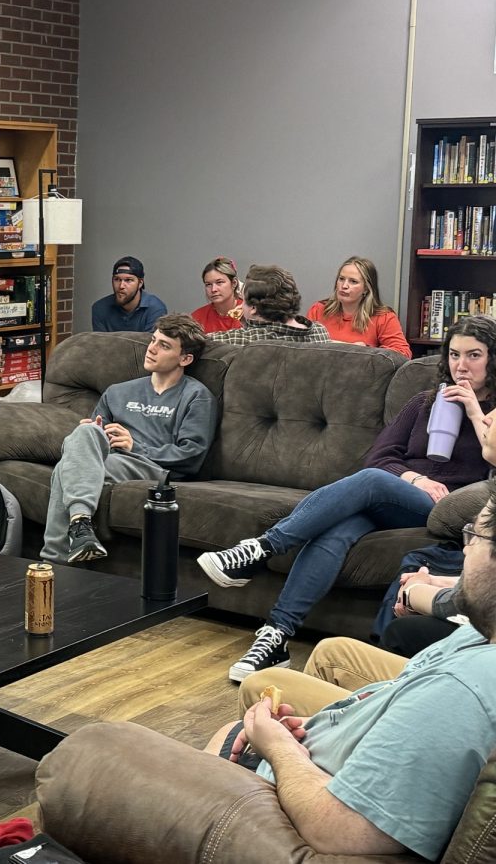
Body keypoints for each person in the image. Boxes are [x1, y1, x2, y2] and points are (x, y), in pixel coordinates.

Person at [206, 481, 496, 860]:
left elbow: (343, 831)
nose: (464, 548)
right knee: (345, 527)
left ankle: (264, 556)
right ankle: (276, 625)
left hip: (315, 803)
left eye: (473, 534)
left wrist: (278, 748)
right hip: (336, 757)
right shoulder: (481, 635)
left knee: (119, 753)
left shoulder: (460, 691)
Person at [198, 314, 496, 682]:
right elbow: (381, 456)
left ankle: (264, 547)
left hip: (447, 507)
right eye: (453, 355)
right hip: (401, 496)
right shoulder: (424, 402)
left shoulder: (493, 412)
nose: (461, 366)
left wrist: (472, 409)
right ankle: (276, 637)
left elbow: (491, 463)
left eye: (474, 355)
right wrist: (414, 477)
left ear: (492, 359)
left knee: (369, 481)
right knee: (336, 531)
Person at [41, 314, 217, 564]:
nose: (152, 349)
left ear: (185, 358)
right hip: (111, 459)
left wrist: (136, 446)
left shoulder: (196, 397)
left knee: (66, 469)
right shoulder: (118, 391)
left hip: (154, 467)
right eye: (153, 340)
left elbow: (192, 455)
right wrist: (94, 432)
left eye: (164, 346)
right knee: (84, 433)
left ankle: (54, 560)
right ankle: (80, 529)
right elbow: (92, 440)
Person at [306, 256, 411, 358]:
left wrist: (365, 350)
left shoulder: (383, 317)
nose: (344, 286)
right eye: (341, 279)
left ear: (366, 289)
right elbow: (302, 345)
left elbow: (403, 353)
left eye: (353, 281)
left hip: (361, 374)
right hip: (320, 371)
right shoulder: (318, 309)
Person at [205, 264, 331, 346]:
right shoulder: (319, 332)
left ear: (253, 308)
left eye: (243, 301)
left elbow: (195, 342)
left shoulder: (245, 340)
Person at [89, 256, 168, 333]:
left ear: (140, 283)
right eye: (117, 279)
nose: (121, 286)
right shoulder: (100, 308)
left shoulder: (155, 308)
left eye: (128, 280)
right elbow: (101, 344)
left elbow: (151, 345)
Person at [190, 256, 243, 332]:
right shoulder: (196, 318)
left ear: (234, 283)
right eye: (208, 284)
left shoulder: (250, 314)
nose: (213, 289)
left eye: (219, 282)